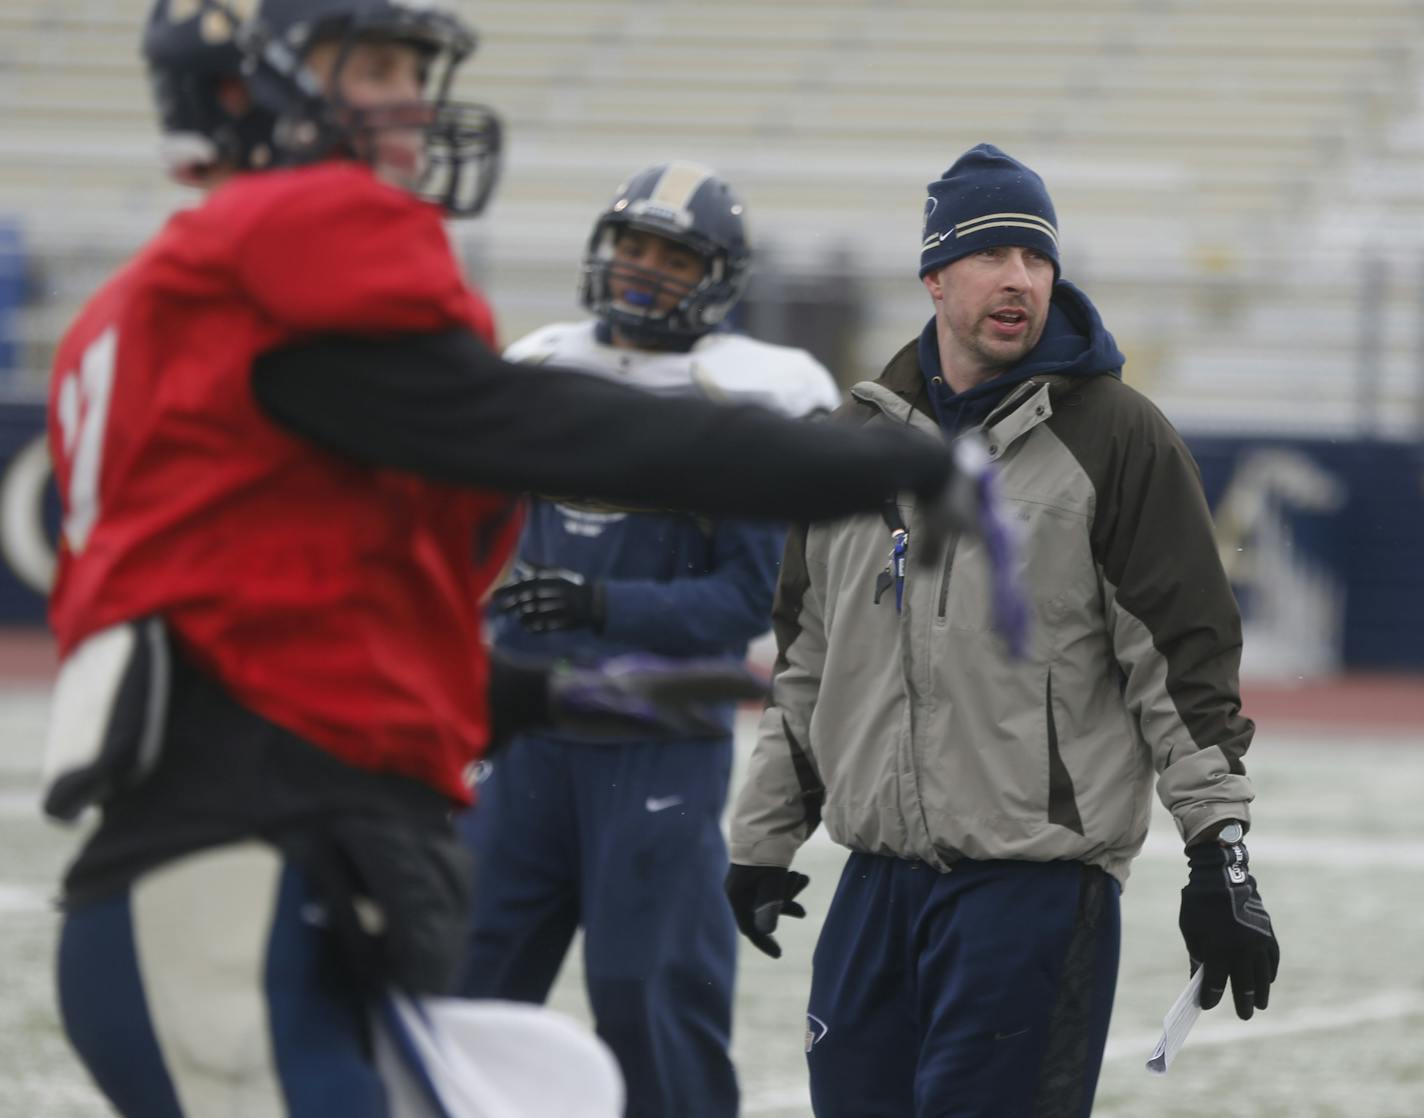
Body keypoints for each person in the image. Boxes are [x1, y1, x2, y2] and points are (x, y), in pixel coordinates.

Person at [43, 3, 1015, 1114]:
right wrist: (879, 465)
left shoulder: (150, 312)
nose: (406, 97)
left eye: (413, 66)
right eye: (367, 66)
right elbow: (549, 427)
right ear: (241, 90)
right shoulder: (283, 260)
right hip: (225, 884)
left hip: (251, 872)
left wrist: (551, 689)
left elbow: (291, 622)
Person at [725, 143, 1281, 1118]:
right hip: (874, 891)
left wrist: (1216, 851)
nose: (1017, 277)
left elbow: (1182, 662)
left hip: (1032, 893)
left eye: (1035, 256)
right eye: (989, 253)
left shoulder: (1117, 436)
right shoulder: (854, 447)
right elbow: (807, 659)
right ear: (934, 275)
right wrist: (762, 836)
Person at [457, 161, 841, 1118]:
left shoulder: (751, 393)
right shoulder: (542, 365)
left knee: (648, 997)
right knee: (456, 993)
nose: (643, 268)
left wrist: (601, 608)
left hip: (655, 744)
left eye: (673, 254)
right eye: (632, 245)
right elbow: (470, 545)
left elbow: (745, 602)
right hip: (521, 742)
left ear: (717, 275)